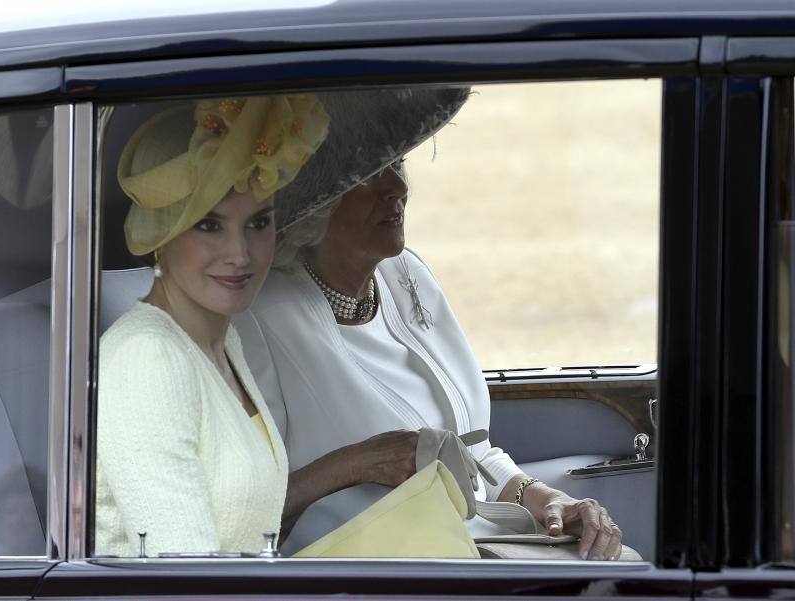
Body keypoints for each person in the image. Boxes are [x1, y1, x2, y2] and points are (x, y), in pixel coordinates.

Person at [246, 87, 626, 561]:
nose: (398, 189)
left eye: (397, 165)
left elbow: (472, 448)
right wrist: (354, 464)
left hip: (467, 550)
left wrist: (543, 497)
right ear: (312, 201)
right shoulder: (259, 317)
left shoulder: (407, 274)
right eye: (367, 175)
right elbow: (238, 514)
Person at [95, 94, 331, 557]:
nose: (240, 255)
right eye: (209, 225)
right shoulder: (147, 359)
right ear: (161, 235)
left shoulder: (225, 342)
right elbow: (184, 576)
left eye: (258, 223)